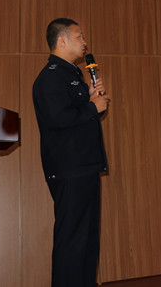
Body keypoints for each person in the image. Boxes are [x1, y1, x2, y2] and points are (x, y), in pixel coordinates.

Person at [32, 18, 110, 287]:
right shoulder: (50, 77)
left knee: (87, 239)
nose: (84, 42)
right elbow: (57, 118)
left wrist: (90, 98)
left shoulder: (72, 75)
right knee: (72, 240)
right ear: (62, 40)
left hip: (85, 166)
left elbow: (76, 118)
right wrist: (92, 107)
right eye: (79, 37)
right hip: (69, 169)